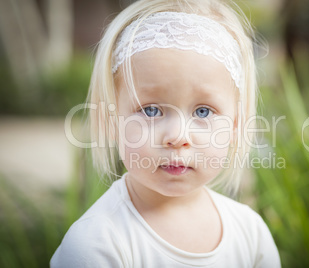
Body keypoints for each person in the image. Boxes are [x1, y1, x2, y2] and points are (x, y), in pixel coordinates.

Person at [51, 0, 281, 267]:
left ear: (234, 126)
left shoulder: (250, 234)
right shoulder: (96, 244)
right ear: (111, 120)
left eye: (203, 112)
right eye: (150, 110)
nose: (177, 136)